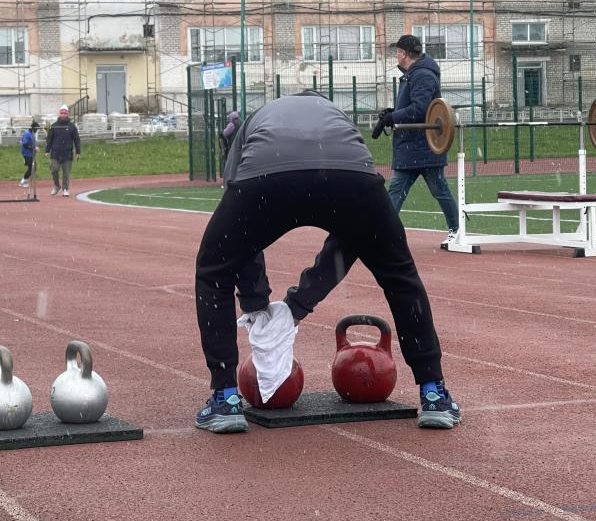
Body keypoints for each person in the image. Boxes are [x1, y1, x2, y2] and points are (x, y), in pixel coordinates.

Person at [194, 90, 461, 433]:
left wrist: (256, 303)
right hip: (351, 180)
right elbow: (352, 240)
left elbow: (241, 249)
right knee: (400, 276)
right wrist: (298, 304)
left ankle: (225, 399)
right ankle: (433, 392)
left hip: (268, 175)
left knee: (213, 271)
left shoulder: (256, 121)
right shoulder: (338, 118)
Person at [372, 34, 460, 244]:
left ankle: (456, 230)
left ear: (403, 54)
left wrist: (392, 118)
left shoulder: (422, 75)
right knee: (397, 190)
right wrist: (392, 113)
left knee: (438, 190)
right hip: (410, 146)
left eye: (397, 52)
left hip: (423, 145)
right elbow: (413, 107)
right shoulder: (414, 74)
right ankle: (384, 233)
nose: (396, 55)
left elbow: (420, 110)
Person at [44, 105, 80, 197]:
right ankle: (56, 185)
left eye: (65, 113)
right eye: (62, 113)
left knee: (66, 173)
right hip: (55, 153)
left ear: (68, 114)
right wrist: (47, 150)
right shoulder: (54, 126)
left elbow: (76, 139)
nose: (63, 115)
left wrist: (78, 152)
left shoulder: (72, 126)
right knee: (54, 169)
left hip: (67, 153)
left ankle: (65, 188)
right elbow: (49, 140)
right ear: (59, 114)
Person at [218, 109, 241, 173]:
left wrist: (222, 131)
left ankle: (223, 151)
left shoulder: (232, 124)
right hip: (240, 144)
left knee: (230, 160)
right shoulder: (241, 122)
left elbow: (225, 133)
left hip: (232, 144)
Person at [19, 120, 39, 187]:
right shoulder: (27, 133)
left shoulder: (32, 133)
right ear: (34, 128)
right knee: (32, 167)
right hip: (26, 153)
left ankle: (24, 180)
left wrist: (35, 147)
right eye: (37, 128)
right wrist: (34, 148)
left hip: (31, 154)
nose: (37, 130)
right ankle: (24, 181)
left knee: (33, 167)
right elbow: (25, 144)